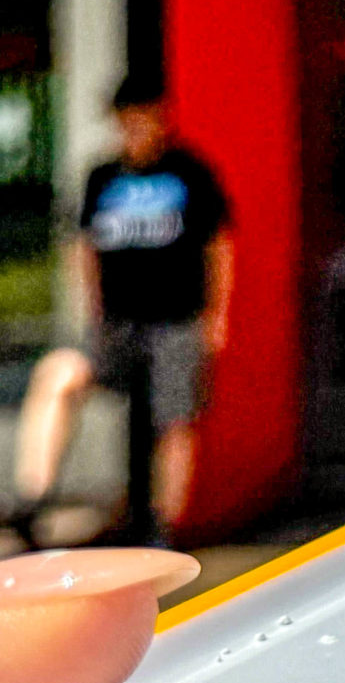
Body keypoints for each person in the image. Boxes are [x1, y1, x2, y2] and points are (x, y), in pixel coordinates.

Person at [71, 75, 231, 544]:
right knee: (65, 378)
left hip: (178, 316)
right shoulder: (103, 176)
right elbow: (86, 247)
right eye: (129, 118)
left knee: (173, 418)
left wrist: (217, 316)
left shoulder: (189, 172)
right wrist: (95, 313)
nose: (137, 127)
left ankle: (163, 526)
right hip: (118, 321)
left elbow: (218, 244)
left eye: (146, 117)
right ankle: (37, 497)